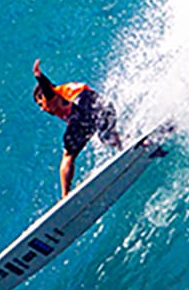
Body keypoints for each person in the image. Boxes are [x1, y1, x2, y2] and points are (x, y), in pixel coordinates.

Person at [33, 59, 123, 196]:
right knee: (107, 136)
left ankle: (65, 196)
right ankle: (132, 146)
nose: (42, 109)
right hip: (103, 106)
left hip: (83, 108)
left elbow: (47, 89)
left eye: (40, 104)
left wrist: (39, 76)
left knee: (68, 155)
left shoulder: (53, 96)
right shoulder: (63, 91)